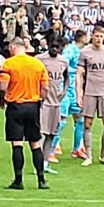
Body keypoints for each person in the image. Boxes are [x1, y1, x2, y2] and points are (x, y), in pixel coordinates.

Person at [0, 37, 50, 190]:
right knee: (35, 143)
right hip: (33, 105)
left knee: (17, 143)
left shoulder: (9, 64)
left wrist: (2, 100)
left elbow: (3, 86)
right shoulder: (37, 64)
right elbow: (45, 88)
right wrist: (41, 100)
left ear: (13, 47)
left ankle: (18, 180)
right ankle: (41, 180)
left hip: (16, 106)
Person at [76, 25, 104, 167]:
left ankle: (103, 155)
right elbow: (79, 74)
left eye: (101, 37)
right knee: (87, 123)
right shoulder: (85, 52)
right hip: (90, 91)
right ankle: (88, 156)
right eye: (96, 36)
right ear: (92, 36)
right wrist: (79, 93)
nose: (99, 39)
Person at [37, 36, 69, 169]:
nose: (54, 49)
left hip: (56, 102)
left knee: (52, 134)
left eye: (57, 47)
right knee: (42, 134)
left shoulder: (63, 61)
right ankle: (37, 164)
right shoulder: (39, 59)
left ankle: (45, 163)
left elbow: (67, 77)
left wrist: (64, 91)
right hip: (43, 103)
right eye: (52, 47)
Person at [64, 28, 87, 158]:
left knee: (80, 118)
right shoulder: (70, 50)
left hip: (76, 88)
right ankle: (52, 149)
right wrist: (77, 70)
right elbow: (64, 64)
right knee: (61, 120)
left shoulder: (80, 51)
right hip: (68, 88)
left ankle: (77, 148)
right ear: (83, 38)